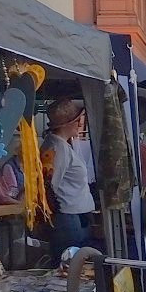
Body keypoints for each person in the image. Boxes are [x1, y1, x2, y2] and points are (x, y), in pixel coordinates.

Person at [40, 98, 96, 258]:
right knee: (69, 266)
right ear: (68, 124)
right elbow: (50, 185)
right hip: (68, 218)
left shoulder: (61, 145)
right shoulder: (57, 148)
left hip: (73, 216)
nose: (80, 123)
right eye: (77, 120)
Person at [0, 134, 25, 200]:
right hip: (14, 203)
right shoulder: (9, 167)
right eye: (24, 151)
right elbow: (11, 193)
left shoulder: (27, 166)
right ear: (18, 151)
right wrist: (25, 190)